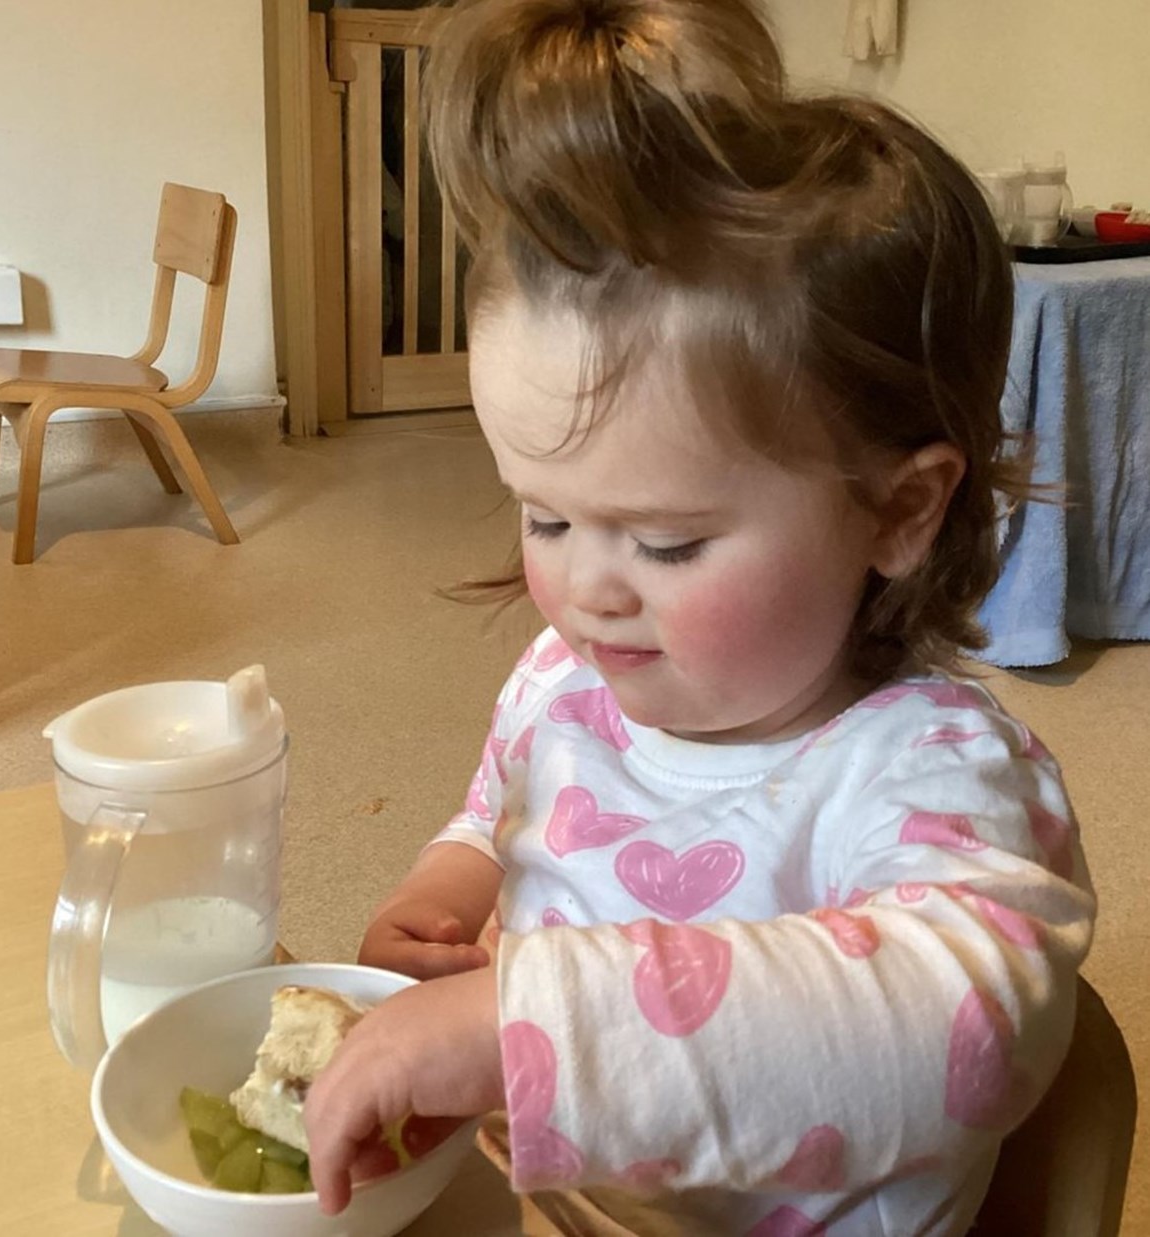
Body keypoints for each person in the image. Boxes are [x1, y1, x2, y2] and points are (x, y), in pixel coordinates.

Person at [304, 1, 1096, 1232]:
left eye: (665, 541)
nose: (586, 589)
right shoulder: (564, 676)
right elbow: (501, 805)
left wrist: (525, 1028)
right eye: (544, 516)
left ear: (896, 511)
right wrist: (447, 884)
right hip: (541, 1182)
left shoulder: (928, 775)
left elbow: (970, 1031)